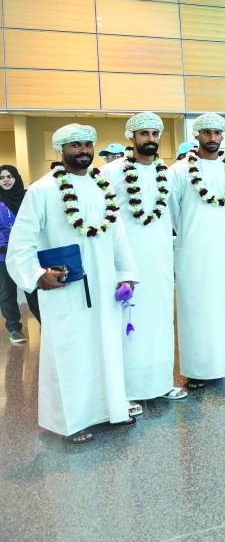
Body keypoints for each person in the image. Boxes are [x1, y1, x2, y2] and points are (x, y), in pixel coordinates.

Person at [8, 124, 138, 444]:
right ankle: (71, 423)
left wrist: (126, 274)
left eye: (87, 144)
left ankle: (110, 410)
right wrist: (37, 275)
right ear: (61, 150)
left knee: (106, 349)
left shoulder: (101, 187)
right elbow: (20, 242)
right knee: (69, 353)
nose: (83, 150)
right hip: (65, 288)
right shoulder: (43, 190)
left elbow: (118, 235)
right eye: (75, 145)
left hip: (105, 285)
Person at [104, 112, 186, 408]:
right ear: (132, 137)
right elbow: (106, 219)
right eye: (144, 134)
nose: (150, 139)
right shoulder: (111, 173)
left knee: (161, 320)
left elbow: (174, 215)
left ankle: (162, 384)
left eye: (154, 134)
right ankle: (126, 392)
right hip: (129, 263)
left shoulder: (167, 174)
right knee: (130, 322)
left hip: (160, 259)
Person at [169, 113, 225, 389]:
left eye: (217, 133)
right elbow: (172, 213)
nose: (212, 138)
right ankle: (197, 370)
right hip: (193, 251)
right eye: (206, 133)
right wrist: (189, 237)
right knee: (196, 310)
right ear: (196, 136)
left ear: (223, 136)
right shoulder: (178, 171)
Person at [0, 165, 35, 343]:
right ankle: (14, 328)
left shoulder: (27, 197)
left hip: (27, 253)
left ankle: (44, 322)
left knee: (33, 288)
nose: (5, 179)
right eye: (1, 177)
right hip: (3, 255)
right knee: (7, 293)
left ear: (16, 178)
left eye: (9, 176)